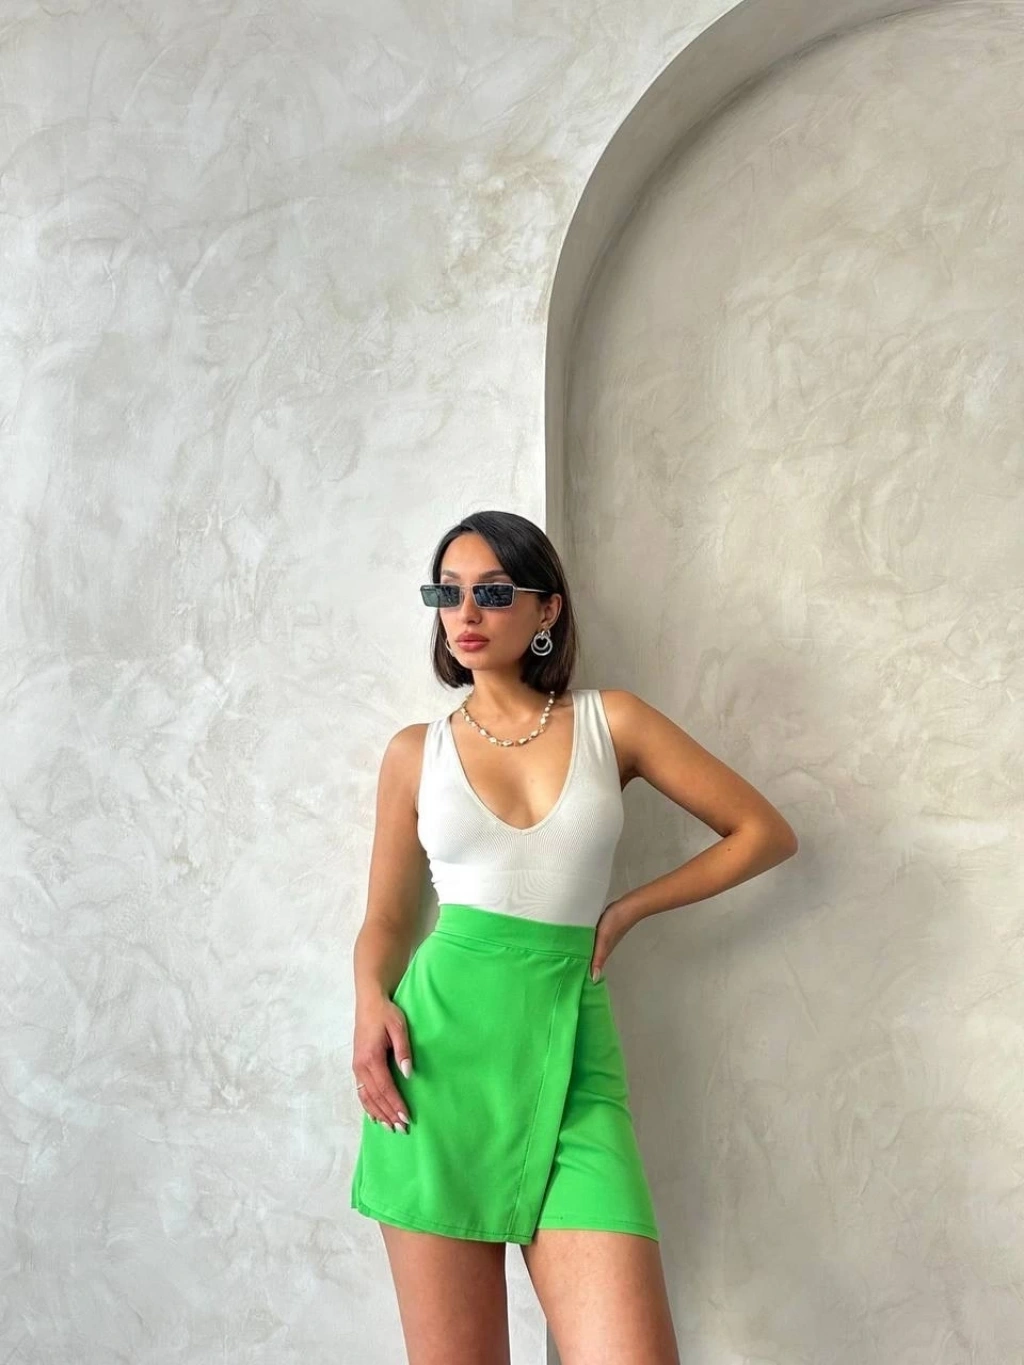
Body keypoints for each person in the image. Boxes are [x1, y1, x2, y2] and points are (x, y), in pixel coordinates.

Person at [349, 509, 798, 1364]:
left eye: (492, 592)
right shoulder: (415, 753)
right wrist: (369, 1000)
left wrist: (628, 908)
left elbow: (762, 832)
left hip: (573, 1064)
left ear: (546, 608)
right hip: (436, 1068)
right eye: (448, 593)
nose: (465, 613)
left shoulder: (610, 722)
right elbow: (388, 919)